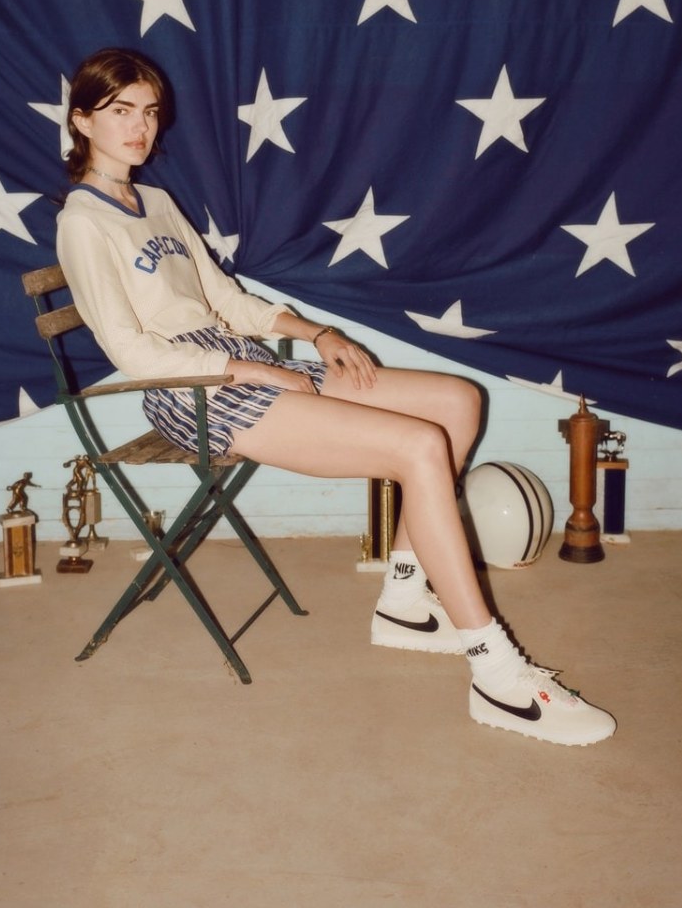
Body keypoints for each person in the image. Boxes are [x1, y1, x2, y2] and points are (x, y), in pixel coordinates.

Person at [56, 47, 616, 747]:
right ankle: (497, 674)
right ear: (82, 120)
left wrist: (315, 333)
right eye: (120, 111)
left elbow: (228, 300)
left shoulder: (158, 203)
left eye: (149, 112)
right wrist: (250, 371)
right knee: (420, 446)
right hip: (192, 391)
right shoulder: (83, 221)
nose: (140, 127)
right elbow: (130, 352)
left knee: (456, 402)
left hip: (244, 364)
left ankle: (405, 601)